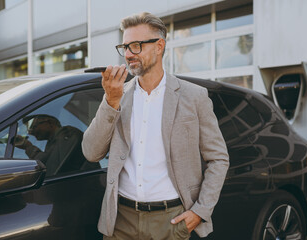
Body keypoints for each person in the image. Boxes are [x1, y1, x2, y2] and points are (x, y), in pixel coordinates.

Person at [81, 12, 229, 239]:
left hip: (171, 221)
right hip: (121, 220)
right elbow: (91, 152)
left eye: (136, 46)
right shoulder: (118, 96)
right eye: (125, 47)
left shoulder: (194, 96)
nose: (129, 54)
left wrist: (200, 211)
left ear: (159, 46)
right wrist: (110, 101)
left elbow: (218, 158)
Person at [15, 114, 97, 176]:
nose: (30, 132)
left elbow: (52, 169)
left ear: (50, 123)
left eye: (33, 126)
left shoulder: (68, 134)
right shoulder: (53, 141)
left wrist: (28, 147)